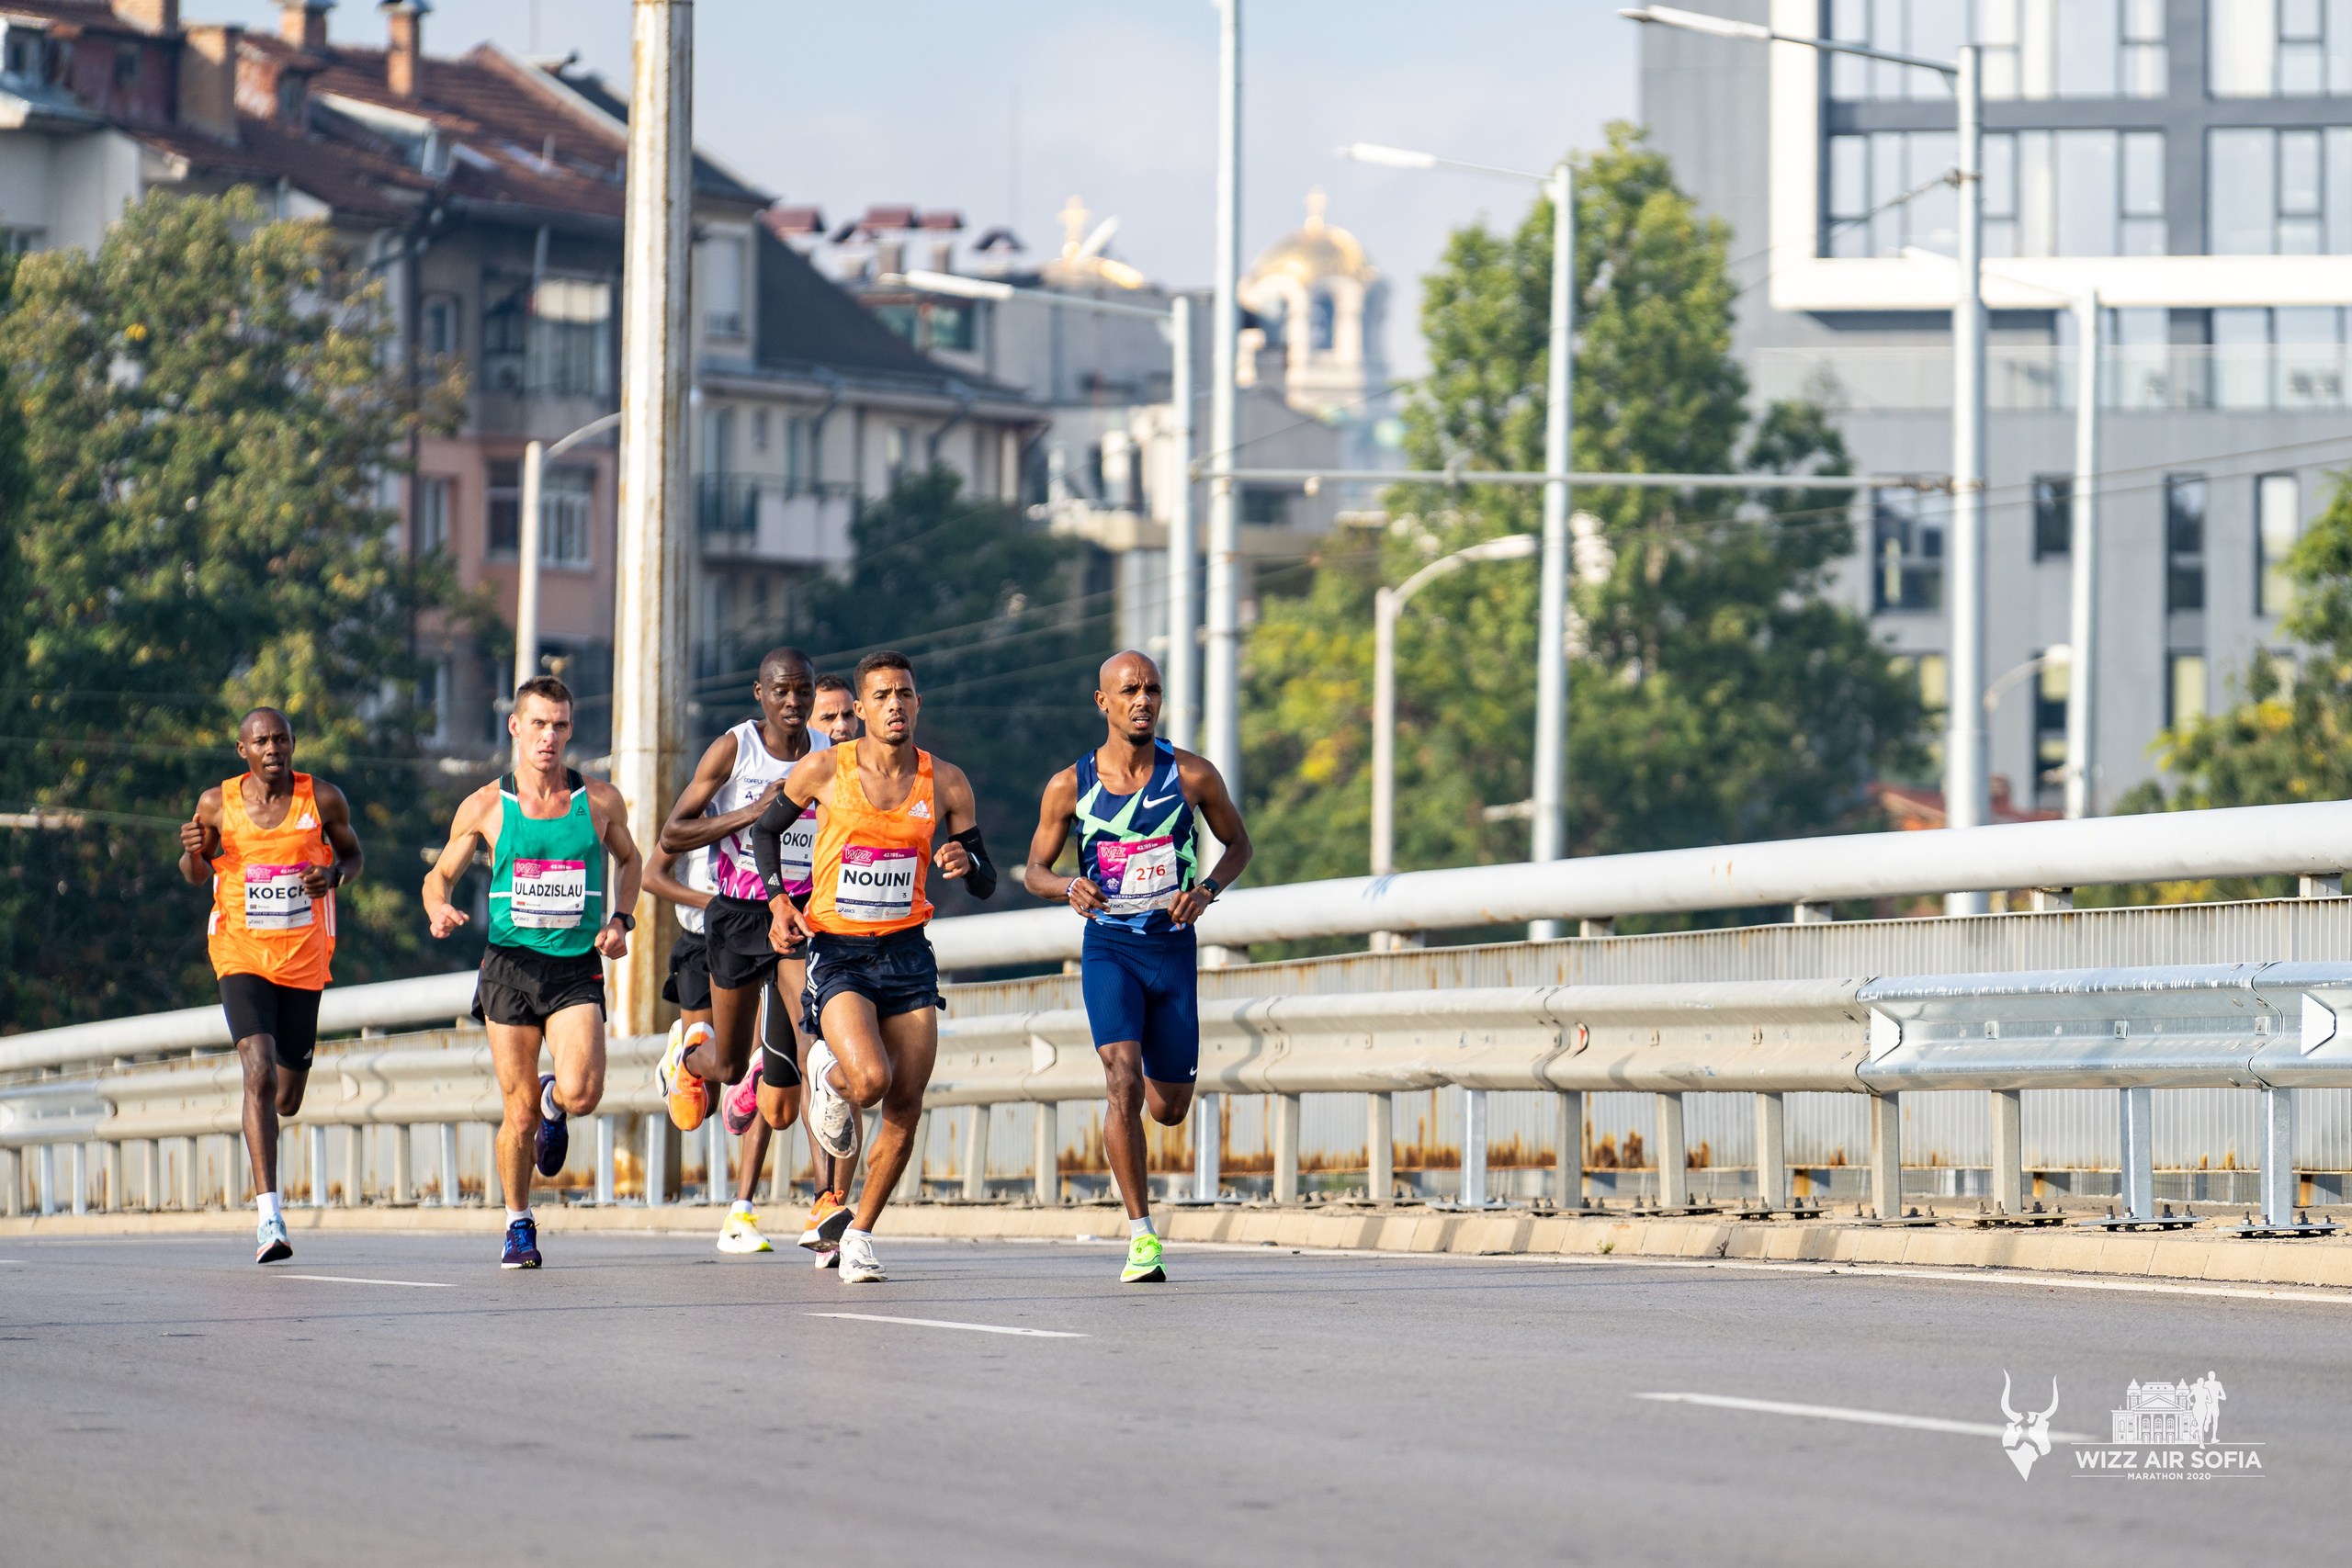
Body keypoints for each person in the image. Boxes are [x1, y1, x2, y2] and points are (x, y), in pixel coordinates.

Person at [752, 651, 1000, 1283]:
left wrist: (964, 864)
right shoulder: (825, 769)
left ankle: (859, 1232)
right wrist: (780, 897)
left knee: (906, 1104)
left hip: (908, 953)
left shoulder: (945, 782)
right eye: (883, 694)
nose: (895, 704)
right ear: (860, 708)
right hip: (839, 951)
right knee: (868, 1080)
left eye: (905, 694)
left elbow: (986, 878)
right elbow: (765, 831)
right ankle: (827, 1074)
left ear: (919, 704)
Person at [1023, 651, 1252, 1283]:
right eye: (1129, 690)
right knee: (1120, 1079)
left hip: (1172, 950)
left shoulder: (1193, 776)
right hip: (1111, 949)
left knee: (1169, 1106)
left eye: (1152, 688)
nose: (1142, 699)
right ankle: (1141, 1235)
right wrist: (1067, 885)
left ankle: (1155, 1105)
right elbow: (1033, 869)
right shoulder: (1071, 785)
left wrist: (1204, 890)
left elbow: (1239, 844)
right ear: (1104, 702)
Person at [423, 676, 641, 1269]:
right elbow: (437, 874)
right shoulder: (488, 806)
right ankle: (518, 1221)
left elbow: (631, 858)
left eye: (560, 725)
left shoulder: (598, 801)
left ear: (571, 730)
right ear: (515, 727)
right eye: (538, 723)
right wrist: (438, 906)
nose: (549, 736)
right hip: (509, 967)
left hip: (573, 966)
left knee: (583, 1092)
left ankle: (556, 1101)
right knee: (514, 1112)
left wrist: (621, 918)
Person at [651, 649, 843, 1245]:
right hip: (736, 916)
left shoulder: (825, 755)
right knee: (730, 1065)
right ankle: (686, 1058)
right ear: (759, 694)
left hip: (797, 916)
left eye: (803, 691)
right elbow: (673, 832)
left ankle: (825, 1200)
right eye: (781, 691)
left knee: (814, 1050)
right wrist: (748, 815)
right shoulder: (734, 749)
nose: (793, 702)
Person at [178, 707, 364, 1265]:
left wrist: (333, 876)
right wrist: (193, 849)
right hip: (240, 954)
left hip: (304, 960)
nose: (273, 749)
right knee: (256, 1069)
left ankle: (270, 1183)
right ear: (243, 751)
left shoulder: (323, 799)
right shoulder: (217, 804)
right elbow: (196, 873)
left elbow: (353, 856)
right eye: (261, 741)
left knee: (286, 1096)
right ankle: (270, 1217)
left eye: (281, 739)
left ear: (293, 744)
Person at [645, 840, 780, 1253]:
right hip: (702, 943)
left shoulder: (787, 797)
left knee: (758, 1071)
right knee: (710, 1099)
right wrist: (719, 904)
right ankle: (685, 1057)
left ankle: (741, 1211)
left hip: (762, 940)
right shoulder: (706, 803)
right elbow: (653, 876)